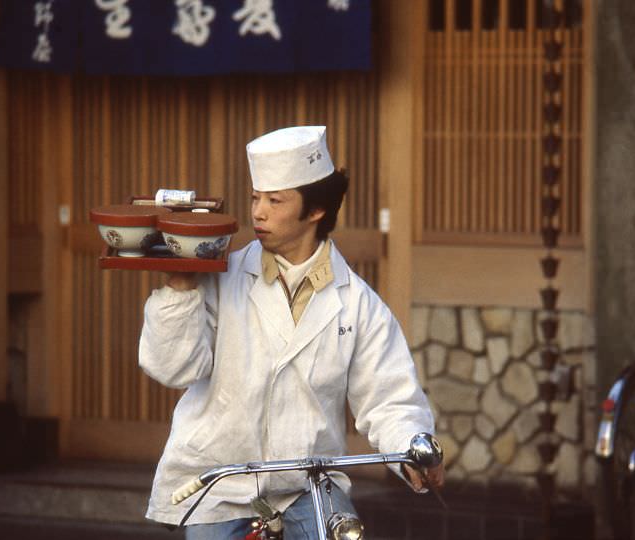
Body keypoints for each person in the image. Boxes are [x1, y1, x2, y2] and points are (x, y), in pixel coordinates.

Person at [138, 126, 443, 539]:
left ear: (315, 210)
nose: (258, 212)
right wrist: (179, 287)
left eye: (275, 200)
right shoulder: (220, 278)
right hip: (219, 480)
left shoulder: (357, 302)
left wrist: (412, 445)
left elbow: (388, 397)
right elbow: (173, 370)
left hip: (308, 484)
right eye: (255, 198)